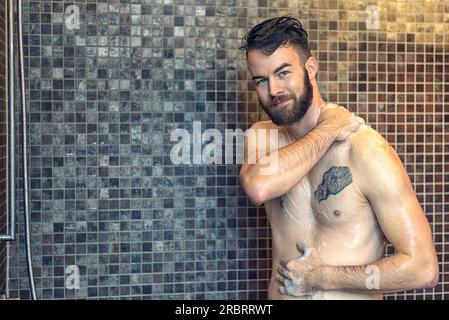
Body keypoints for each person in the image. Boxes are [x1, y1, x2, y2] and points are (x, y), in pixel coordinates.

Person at [239, 16, 438, 299]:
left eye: (283, 73)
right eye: (261, 80)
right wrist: (329, 127)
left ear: (310, 68)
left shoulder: (364, 149)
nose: (273, 91)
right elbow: (258, 187)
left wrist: (321, 277)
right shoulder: (261, 138)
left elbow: (423, 268)